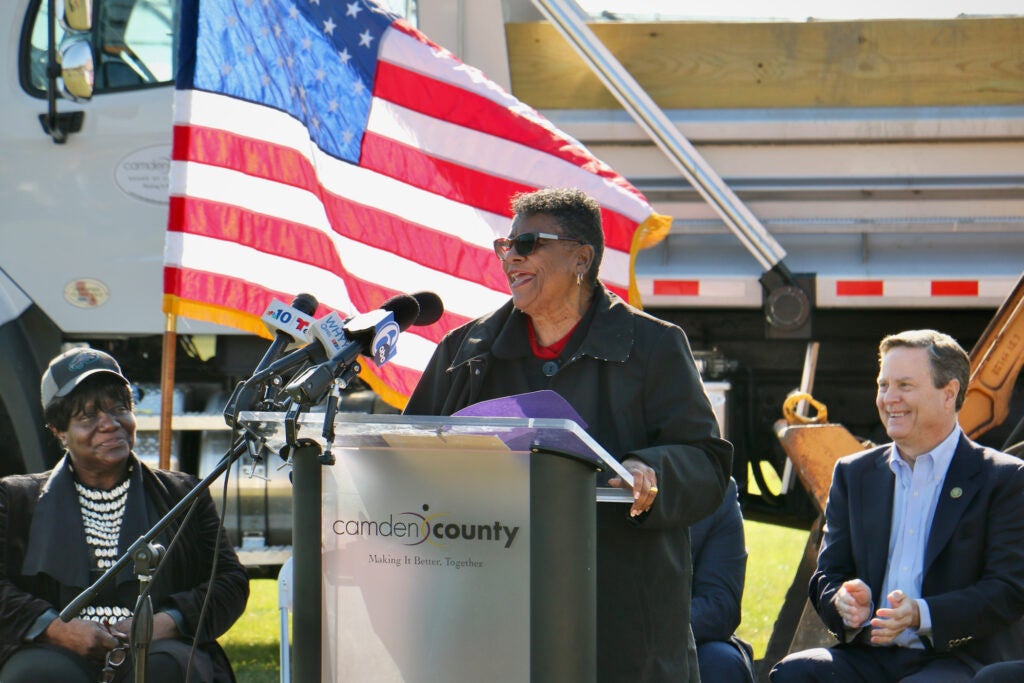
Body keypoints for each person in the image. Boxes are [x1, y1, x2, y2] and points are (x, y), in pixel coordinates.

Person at [404, 187, 732, 682]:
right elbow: (410, 453)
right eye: (505, 245)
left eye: (529, 243)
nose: (511, 256)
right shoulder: (466, 349)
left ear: (582, 258)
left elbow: (706, 461)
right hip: (490, 610)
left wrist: (649, 468)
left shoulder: (654, 346)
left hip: (618, 620)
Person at [770, 329, 1024, 683]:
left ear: (949, 393)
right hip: (868, 655)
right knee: (796, 673)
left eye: (904, 386)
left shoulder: (1004, 479)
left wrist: (922, 614)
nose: (889, 398)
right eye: (883, 385)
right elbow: (827, 575)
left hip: (958, 658)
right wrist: (843, 602)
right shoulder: (853, 473)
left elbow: (1009, 589)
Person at [0, 347, 250, 682]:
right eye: (88, 417)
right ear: (60, 431)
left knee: (166, 668)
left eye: (119, 409)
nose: (110, 425)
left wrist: (166, 622)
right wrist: (54, 628)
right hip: (53, 647)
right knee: (35, 674)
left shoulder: (182, 494)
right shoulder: (15, 499)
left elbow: (229, 582)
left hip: (160, 646)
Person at [690, 477, 755, 683]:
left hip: (678, 631)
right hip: (596, 628)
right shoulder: (593, 478)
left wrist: (652, 629)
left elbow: (720, 606)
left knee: (720, 662)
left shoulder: (715, 489)